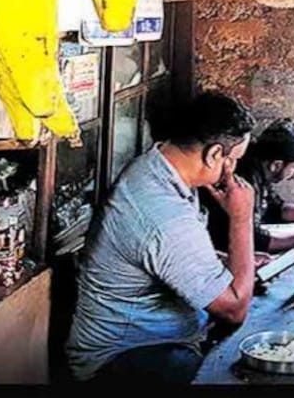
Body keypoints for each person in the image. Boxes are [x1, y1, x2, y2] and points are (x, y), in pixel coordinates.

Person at [66, 91, 258, 384]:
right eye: (233, 159)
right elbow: (234, 308)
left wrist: (229, 261)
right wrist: (241, 218)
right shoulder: (161, 212)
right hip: (124, 357)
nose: (232, 171)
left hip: (165, 340)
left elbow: (166, 258)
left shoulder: (160, 167)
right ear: (214, 154)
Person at [205, 118, 294, 256]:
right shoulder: (244, 180)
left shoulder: (261, 170)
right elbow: (256, 240)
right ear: (277, 165)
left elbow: (279, 210)